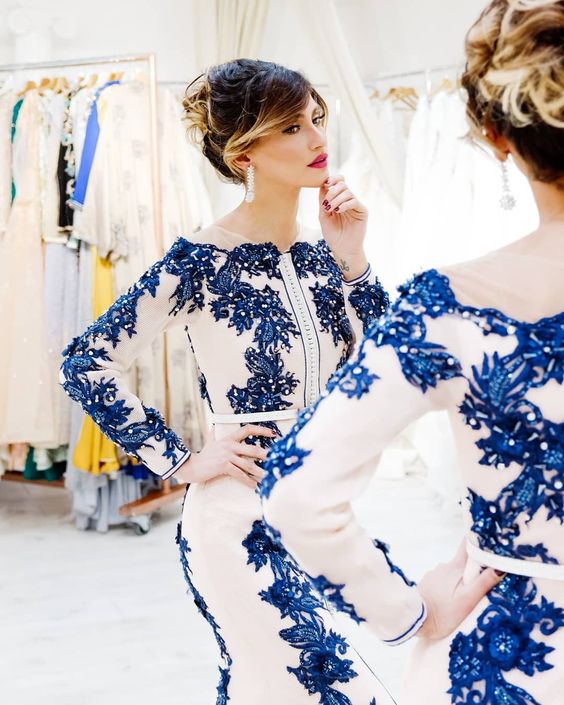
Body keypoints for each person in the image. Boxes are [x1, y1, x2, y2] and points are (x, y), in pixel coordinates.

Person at [61, 59, 499, 705]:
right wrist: (182, 459)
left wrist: (353, 259)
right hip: (236, 526)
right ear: (245, 153)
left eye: (318, 119)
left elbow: (389, 366)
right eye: (293, 126)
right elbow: (86, 360)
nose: (319, 139)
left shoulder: (328, 252)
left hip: (319, 519)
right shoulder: (199, 263)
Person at [261, 2, 564, 704]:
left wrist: (407, 611)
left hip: (518, 660)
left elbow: (296, 490)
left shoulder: (449, 304)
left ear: (493, 136)